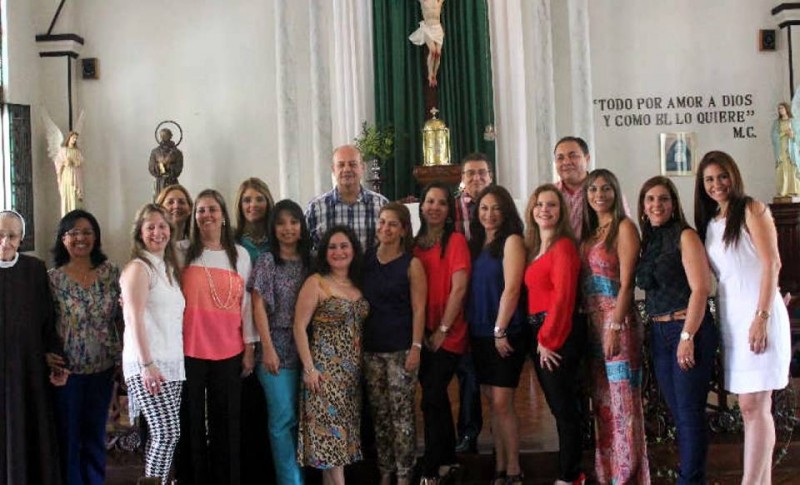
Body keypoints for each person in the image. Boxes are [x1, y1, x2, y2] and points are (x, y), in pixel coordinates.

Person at [695, 151, 792, 484]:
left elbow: (772, 263)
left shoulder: (752, 209)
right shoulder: (711, 223)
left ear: (733, 175)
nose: (717, 184)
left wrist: (763, 315)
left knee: (755, 404)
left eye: (722, 176)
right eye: (709, 179)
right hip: (734, 322)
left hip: (758, 317)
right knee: (749, 408)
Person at [636, 176, 719, 484]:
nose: (657, 204)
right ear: (643, 207)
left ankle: (690, 480)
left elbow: (701, 289)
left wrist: (687, 336)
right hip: (659, 335)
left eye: (663, 199)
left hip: (688, 330)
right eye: (650, 199)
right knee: (678, 411)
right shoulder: (649, 240)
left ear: (674, 204)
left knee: (688, 412)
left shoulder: (685, 236)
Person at [178, 189, 256, 485]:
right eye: (200, 210)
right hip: (190, 349)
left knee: (227, 424)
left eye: (212, 209)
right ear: (194, 217)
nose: (206, 215)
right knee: (192, 422)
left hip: (230, 349)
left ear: (223, 215)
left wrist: (249, 347)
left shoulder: (241, 255)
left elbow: (247, 305)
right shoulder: (182, 250)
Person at [579, 169, 649, 484]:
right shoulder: (590, 232)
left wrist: (615, 326)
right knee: (603, 405)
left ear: (615, 192)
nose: (599, 194)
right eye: (593, 189)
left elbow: (627, 284)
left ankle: (627, 473)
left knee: (623, 403)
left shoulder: (624, 228)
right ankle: (606, 472)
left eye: (606, 188)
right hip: (592, 326)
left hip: (617, 323)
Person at [49, 209, 123, 485]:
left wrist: (124, 360)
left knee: (95, 437)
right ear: (63, 239)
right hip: (67, 374)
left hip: (104, 369)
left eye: (87, 232)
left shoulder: (111, 273)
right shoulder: (52, 279)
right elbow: (44, 324)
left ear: (96, 237)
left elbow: (122, 319)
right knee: (69, 439)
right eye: (73, 232)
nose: (81, 238)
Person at [295, 225, 370, 485]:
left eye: (344, 246)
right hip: (323, 375)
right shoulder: (316, 282)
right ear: (325, 252)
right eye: (333, 247)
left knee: (336, 448)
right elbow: (299, 327)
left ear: (353, 250)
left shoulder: (358, 283)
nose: (339, 251)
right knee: (331, 440)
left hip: (351, 378)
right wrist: (309, 368)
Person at [523, 184, 586, 485]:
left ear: (561, 212)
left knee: (564, 409)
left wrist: (547, 340)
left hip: (556, 334)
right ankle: (571, 470)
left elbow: (563, 298)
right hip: (541, 332)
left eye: (551, 205)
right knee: (559, 406)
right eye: (539, 204)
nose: (544, 210)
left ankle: (570, 475)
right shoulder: (536, 247)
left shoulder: (563, 246)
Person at [466, 186, 528, 485]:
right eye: (484, 208)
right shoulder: (477, 242)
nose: (489, 214)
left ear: (506, 212)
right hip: (479, 332)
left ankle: (514, 469)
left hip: (504, 332)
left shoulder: (512, 241)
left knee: (503, 402)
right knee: (492, 401)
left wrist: (500, 329)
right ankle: (501, 466)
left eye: (496, 208)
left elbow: (512, 288)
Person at [120, 204, 186, 482]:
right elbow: (133, 318)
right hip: (147, 362)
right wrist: (147, 364)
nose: (157, 232)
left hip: (171, 363)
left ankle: (154, 480)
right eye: (150, 227)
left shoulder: (169, 268)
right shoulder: (139, 267)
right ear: (140, 233)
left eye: (162, 226)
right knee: (166, 432)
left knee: (166, 435)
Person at [362, 203, 427, 485]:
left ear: (403, 230)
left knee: (401, 414)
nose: (384, 228)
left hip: (401, 349)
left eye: (392, 224)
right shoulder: (366, 260)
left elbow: (419, 309)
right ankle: (385, 470)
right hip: (371, 350)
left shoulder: (411, 264)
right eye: (382, 222)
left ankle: (404, 472)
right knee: (380, 415)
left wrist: (416, 347)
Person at [248, 199, 311, 485]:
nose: (288, 228)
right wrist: (268, 349)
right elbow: (257, 306)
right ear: (273, 228)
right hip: (278, 349)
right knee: (282, 420)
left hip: (309, 350)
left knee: (305, 420)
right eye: (281, 222)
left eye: (294, 222)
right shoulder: (266, 261)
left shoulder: (312, 261)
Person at [0, 210, 64, 485]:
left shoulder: (34, 269)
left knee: (29, 432)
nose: (5, 242)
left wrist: (55, 358)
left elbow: (48, 319)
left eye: (12, 235)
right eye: (0, 235)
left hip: (29, 369)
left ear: (21, 238)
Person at [413, 182, 471, 484]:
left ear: (449, 210)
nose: (434, 207)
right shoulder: (414, 243)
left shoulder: (456, 241)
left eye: (441, 202)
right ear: (421, 207)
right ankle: (448, 459)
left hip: (449, 332)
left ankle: (431, 467)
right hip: (422, 332)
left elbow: (459, 288)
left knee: (432, 395)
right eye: (429, 201)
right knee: (435, 398)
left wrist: (442, 330)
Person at [233, 177, 275, 483]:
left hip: (278, 333)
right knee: (248, 406)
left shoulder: (279, 238)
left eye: (259, 199)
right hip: (242, 333)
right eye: (247, 199)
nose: (253, 205)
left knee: (277, 409)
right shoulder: (232, 243)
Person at [452, 153, 492, 454]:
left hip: (491, 299)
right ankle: (469, 431)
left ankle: (504, 432)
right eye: (470, 173)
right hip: (461, 300)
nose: (476, 178)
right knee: (468, 371)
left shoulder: (499, 208)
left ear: (490, 176)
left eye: (481, 173)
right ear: (461, 178)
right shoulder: (450, 209)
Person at [305, 144, 389, 254]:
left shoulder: (381, 205)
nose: (347, 169)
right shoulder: (315, 208)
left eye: (352, 164)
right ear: (333, 169)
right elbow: (304, 248)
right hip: (328, 271)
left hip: (371, 270)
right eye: (341, 165)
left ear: (362, 167)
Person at [554, 136, 591, 238]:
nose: (566, 162)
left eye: (573, 156)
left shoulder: (603, 191)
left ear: (587, 159)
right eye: (560, 158)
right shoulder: (549, 194)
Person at [409, 0, 445, 87]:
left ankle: (434, 75)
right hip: (428, 28)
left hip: (438, 28)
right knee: (433, 51)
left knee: (438, 53)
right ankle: (430, 74)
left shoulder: (438, 2)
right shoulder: (423, 1)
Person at [771, 102, 800, 196]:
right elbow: (773, 136)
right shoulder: (777, 123)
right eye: (779, 109)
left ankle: (794, 189)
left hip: (791, 148)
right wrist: (783, 134)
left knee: (792, 167)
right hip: (781, 148)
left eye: (782, 108)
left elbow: (798, 135)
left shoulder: (793, 121)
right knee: (782, 167)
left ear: (786, 109)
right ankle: (783, 189)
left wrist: (793, 135)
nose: (780, 110)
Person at [55, 131, 85, 216]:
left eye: (76, 138)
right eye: (73, 138)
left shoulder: (77, 151)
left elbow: (80, 162)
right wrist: (65, 163)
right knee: (66, 196)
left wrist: (75, 163)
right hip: (66, 175)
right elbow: (58, 162)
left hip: (75, 175)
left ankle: (74, 216)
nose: (74, 140)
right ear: (69, 138)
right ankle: (66, 217)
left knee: (74, 195)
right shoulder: (63, 150)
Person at [149, 128, 184, 198]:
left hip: (172, 182)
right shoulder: (155, 152)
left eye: (166, 135)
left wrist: (168, 166)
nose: (164, 137)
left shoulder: (177, 153)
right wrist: (162, 165)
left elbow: (178, 169)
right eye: (162, 136)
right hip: (159, 183)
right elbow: (151, 168)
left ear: (170, 136)